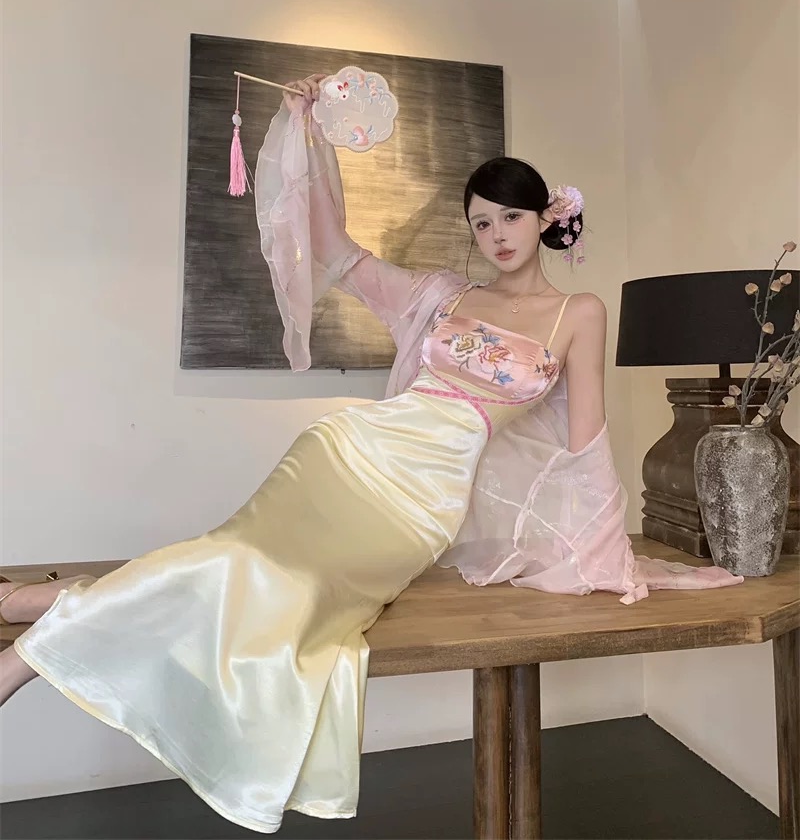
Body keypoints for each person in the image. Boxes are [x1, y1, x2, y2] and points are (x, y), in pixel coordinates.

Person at [0, 74, 741, 834]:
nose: (497, 235)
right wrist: (308, 132)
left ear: (544, 218)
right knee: (238, 560)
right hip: (346, 453)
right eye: (481, 223)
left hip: (423, 499)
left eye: (511, 216)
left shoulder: (579, 312)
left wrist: (611, 555)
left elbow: (587, 444)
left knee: (292, 596)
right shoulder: (444, 296)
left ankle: (43, 606)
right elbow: (333, 249)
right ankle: (23, 658)